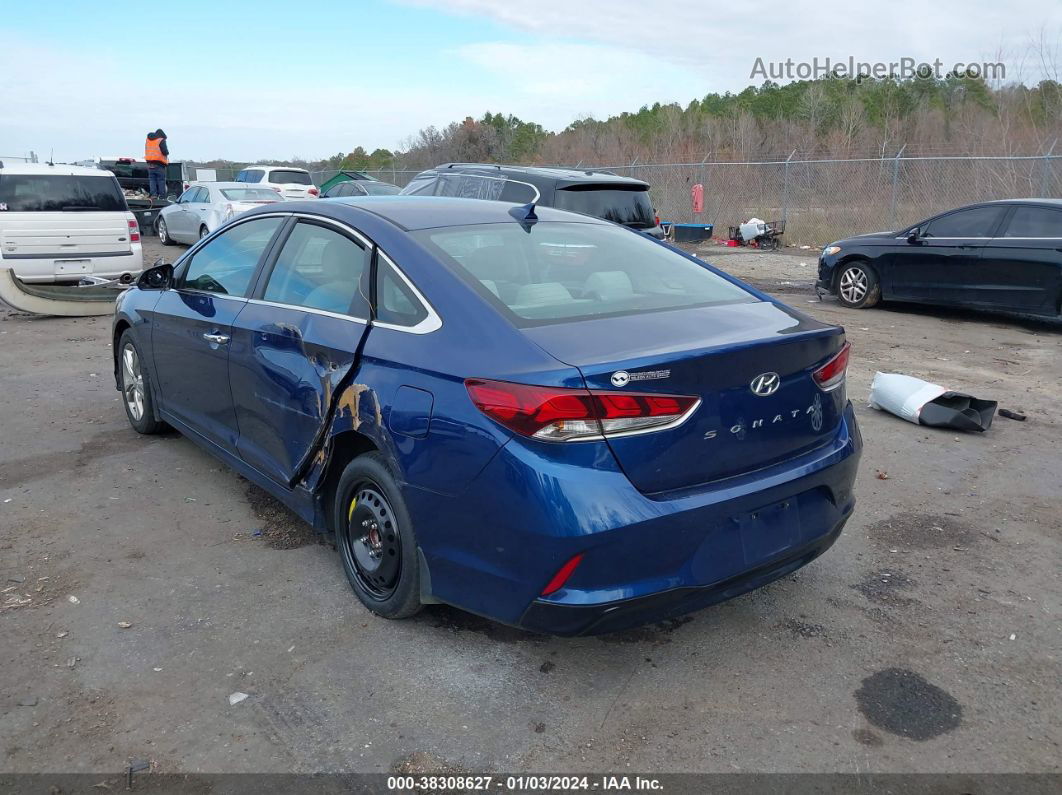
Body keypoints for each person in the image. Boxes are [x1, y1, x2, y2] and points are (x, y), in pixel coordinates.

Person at [144, 129, 169, 199]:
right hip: (159, 164)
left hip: (150, 164)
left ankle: (153, 195)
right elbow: (165, 152)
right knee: (161, 180)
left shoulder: (148, 140)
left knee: (152, 180)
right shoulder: (161, 140)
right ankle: (162, 196)